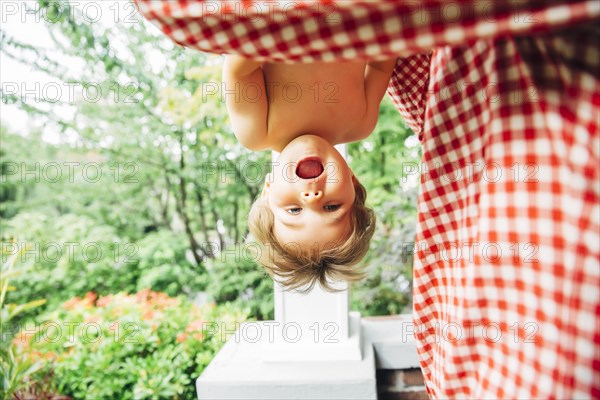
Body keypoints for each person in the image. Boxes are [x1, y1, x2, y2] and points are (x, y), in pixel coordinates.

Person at [222, 56, 396, 290]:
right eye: (331, 207)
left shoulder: (257, 130)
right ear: (352, 183)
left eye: (294, 210)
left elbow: (238, 68)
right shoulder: (361, 122)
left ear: (268, 190)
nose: (312, 198)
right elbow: (381, 62)